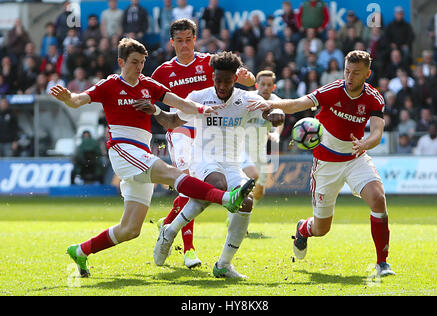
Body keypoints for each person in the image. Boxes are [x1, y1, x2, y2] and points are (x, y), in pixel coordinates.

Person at [49, 38, 254, 277]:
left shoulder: (148, 84)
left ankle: (80, 251)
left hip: (142, 153)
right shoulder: (108, 85)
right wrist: (68, 98)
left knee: (130, 229)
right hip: (123, 149)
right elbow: (77, 100)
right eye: (134, 62)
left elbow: (179, 103)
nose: (139, 67)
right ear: (120, 62)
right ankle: (226, 198)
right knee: (173, 174)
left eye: (142, 62)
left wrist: (201, 109)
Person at [248, 50, 396, 277]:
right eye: (347, 71)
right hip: (326, 164)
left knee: (378, 199)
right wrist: (269, 106)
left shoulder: (374, 98)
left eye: (356, 73)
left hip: (355, 158)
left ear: (367, 73)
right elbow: (298, 103)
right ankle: (302, 229)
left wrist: (366, 143)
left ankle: (382, 263)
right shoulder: (332, 90)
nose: (349, 77)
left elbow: (377, 133)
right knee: (321, 228)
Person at [136, 51, 283, 278]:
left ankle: (221, 262)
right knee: (219, 184)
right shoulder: (199, 96)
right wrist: (155, 110)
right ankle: (171, 231)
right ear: (212, 77)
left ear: (235, 79)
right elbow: (172, 121)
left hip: (233, 164)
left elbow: (269, 111)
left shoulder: (246, 99)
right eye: (217, 80)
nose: (221, 86)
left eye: (226, 81)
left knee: (246, 202)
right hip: (204, 159)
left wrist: (275, 116)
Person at [150, 18, 256, 269]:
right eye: (179, 41)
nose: (185, 45)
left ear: (195, 39)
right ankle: (188, 249)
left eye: (189, 40)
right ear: (172, 42)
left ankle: (170, 228)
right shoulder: (162, 72)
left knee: (198, 189)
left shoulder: (209, 62)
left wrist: (247, 77)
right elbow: (148, 96)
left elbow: (245, 81)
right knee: (191, 184)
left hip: (211, 131)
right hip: (181, 128)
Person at [241, 70, 285, 202]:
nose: (265, 87)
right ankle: (236, 212)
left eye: (269, 84)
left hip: (260, 148)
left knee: (259, 192)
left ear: (274, 87)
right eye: (263, 84)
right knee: (247, 179)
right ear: (256, 85)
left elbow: (280, 119)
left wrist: (276, 133)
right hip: (241, 146)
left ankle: (243, 208)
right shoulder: (246, 98)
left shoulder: (277, 102)